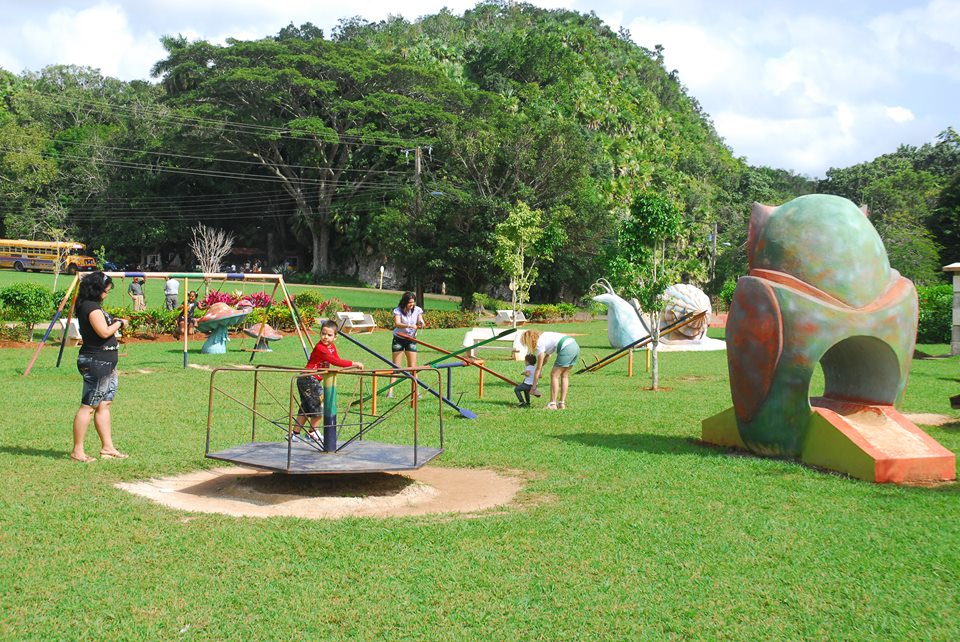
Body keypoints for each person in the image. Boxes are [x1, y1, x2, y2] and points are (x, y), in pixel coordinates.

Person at [70, 272, 129, 462]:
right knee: (88, 406)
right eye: (106, 291)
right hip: (96, 362)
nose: (106, 294)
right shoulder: (90, 307)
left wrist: (115, 321)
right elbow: (104, 332)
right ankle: (78, 451)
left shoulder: (95, 307)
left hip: (107, 362)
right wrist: (119, 323)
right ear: (96, 289)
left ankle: (107, 447)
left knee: (104, 404)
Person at [293, 320, 363, 443]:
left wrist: (348, 366)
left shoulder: (331, 347)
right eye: (323, 333)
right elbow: (335, 362)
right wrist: (354, 363)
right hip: (309, 378)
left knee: (306, 407)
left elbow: (337, 359)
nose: (325, 337)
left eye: (329, 335)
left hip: (310, 379)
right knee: (321, 404)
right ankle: (312, 432)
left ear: (335, 337)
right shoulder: (321, 348)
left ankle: (295, 434)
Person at [520, 329, 581, 410]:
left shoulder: (539, 344)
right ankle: (561, 404)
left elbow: (538, 369)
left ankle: (552, 404)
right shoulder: (545, 337)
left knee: (554, 375)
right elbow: (547, 356)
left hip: (566, 348)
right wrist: (539, 367)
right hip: (574, 346)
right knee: (564, 376)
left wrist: (533, 387)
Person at [388, 291, 425, 398]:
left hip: (411, 339)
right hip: (399, 339)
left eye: (413, 302)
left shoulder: (417, 310)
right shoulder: (398, 310)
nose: (411, 305)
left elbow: (420, 319)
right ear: (404, 302)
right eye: (409, 303)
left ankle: (416, 392)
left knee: (413, 367)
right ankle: (390, 392)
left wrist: (421, 322)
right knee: (396, 367)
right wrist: (409, 325)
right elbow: (397, 323)